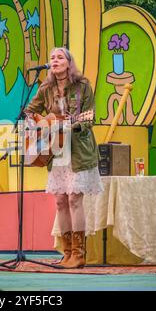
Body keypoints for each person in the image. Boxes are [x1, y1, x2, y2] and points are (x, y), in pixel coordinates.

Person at [24, 47, 103, 268]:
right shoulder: (46, 88)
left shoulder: (83, 86)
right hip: (56, 150)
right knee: (60, 201)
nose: (55, 60)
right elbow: (29, 112)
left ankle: (79, 253)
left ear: (69, 63)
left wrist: (69, 126)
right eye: (52, 58)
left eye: (60, 57)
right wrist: (42, 124)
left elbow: (89, 119)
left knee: (74, 200)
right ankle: (67, 252)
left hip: (78, 150)